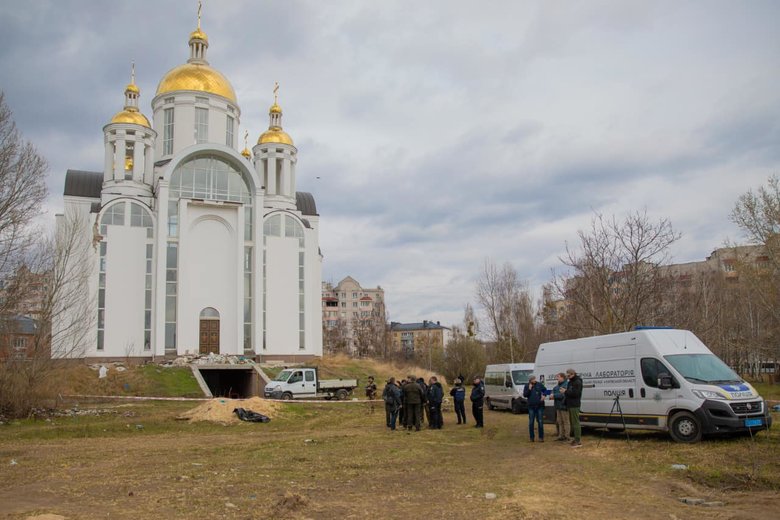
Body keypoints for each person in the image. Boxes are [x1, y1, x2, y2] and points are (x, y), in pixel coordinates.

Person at [523, 375, 547, 442]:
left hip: (539, 406)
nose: (534, 380)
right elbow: (525, 395)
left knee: (540, 421)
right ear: (530, 380)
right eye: (533, 379)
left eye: (534, 379)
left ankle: (541, 437)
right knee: (531, 422)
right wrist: (529, 389)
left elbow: (545, 390)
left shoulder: (539, 384)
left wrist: (544, 395)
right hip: (531, 406)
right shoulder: (527, 386)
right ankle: (531, 437)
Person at [564, 368, 583, 447]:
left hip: (575, 405)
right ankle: (575, 439)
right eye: (567, 375)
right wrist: (565, 391)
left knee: (576, 423)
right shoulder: (570, 382)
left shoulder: (577, 382)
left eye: (568, 375)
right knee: (573, 423)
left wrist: (565, 391)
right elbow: (569, 392)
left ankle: (578, 440)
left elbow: (576, 394)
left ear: (573, 374)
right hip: (570, 404)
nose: (567, 377)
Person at [552, 372, 570, 442]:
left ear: (563, 377)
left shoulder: (566, 384)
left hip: (564, 405)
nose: (557, 378)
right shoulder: (557, 386)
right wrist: (552, 394)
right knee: (559, 421)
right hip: (558, 406)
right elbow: (555, 390)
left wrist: (554, 395)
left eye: (558, 377)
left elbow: (563, 395)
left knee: (566, 421)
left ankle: (567, 436)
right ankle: (561, 435)